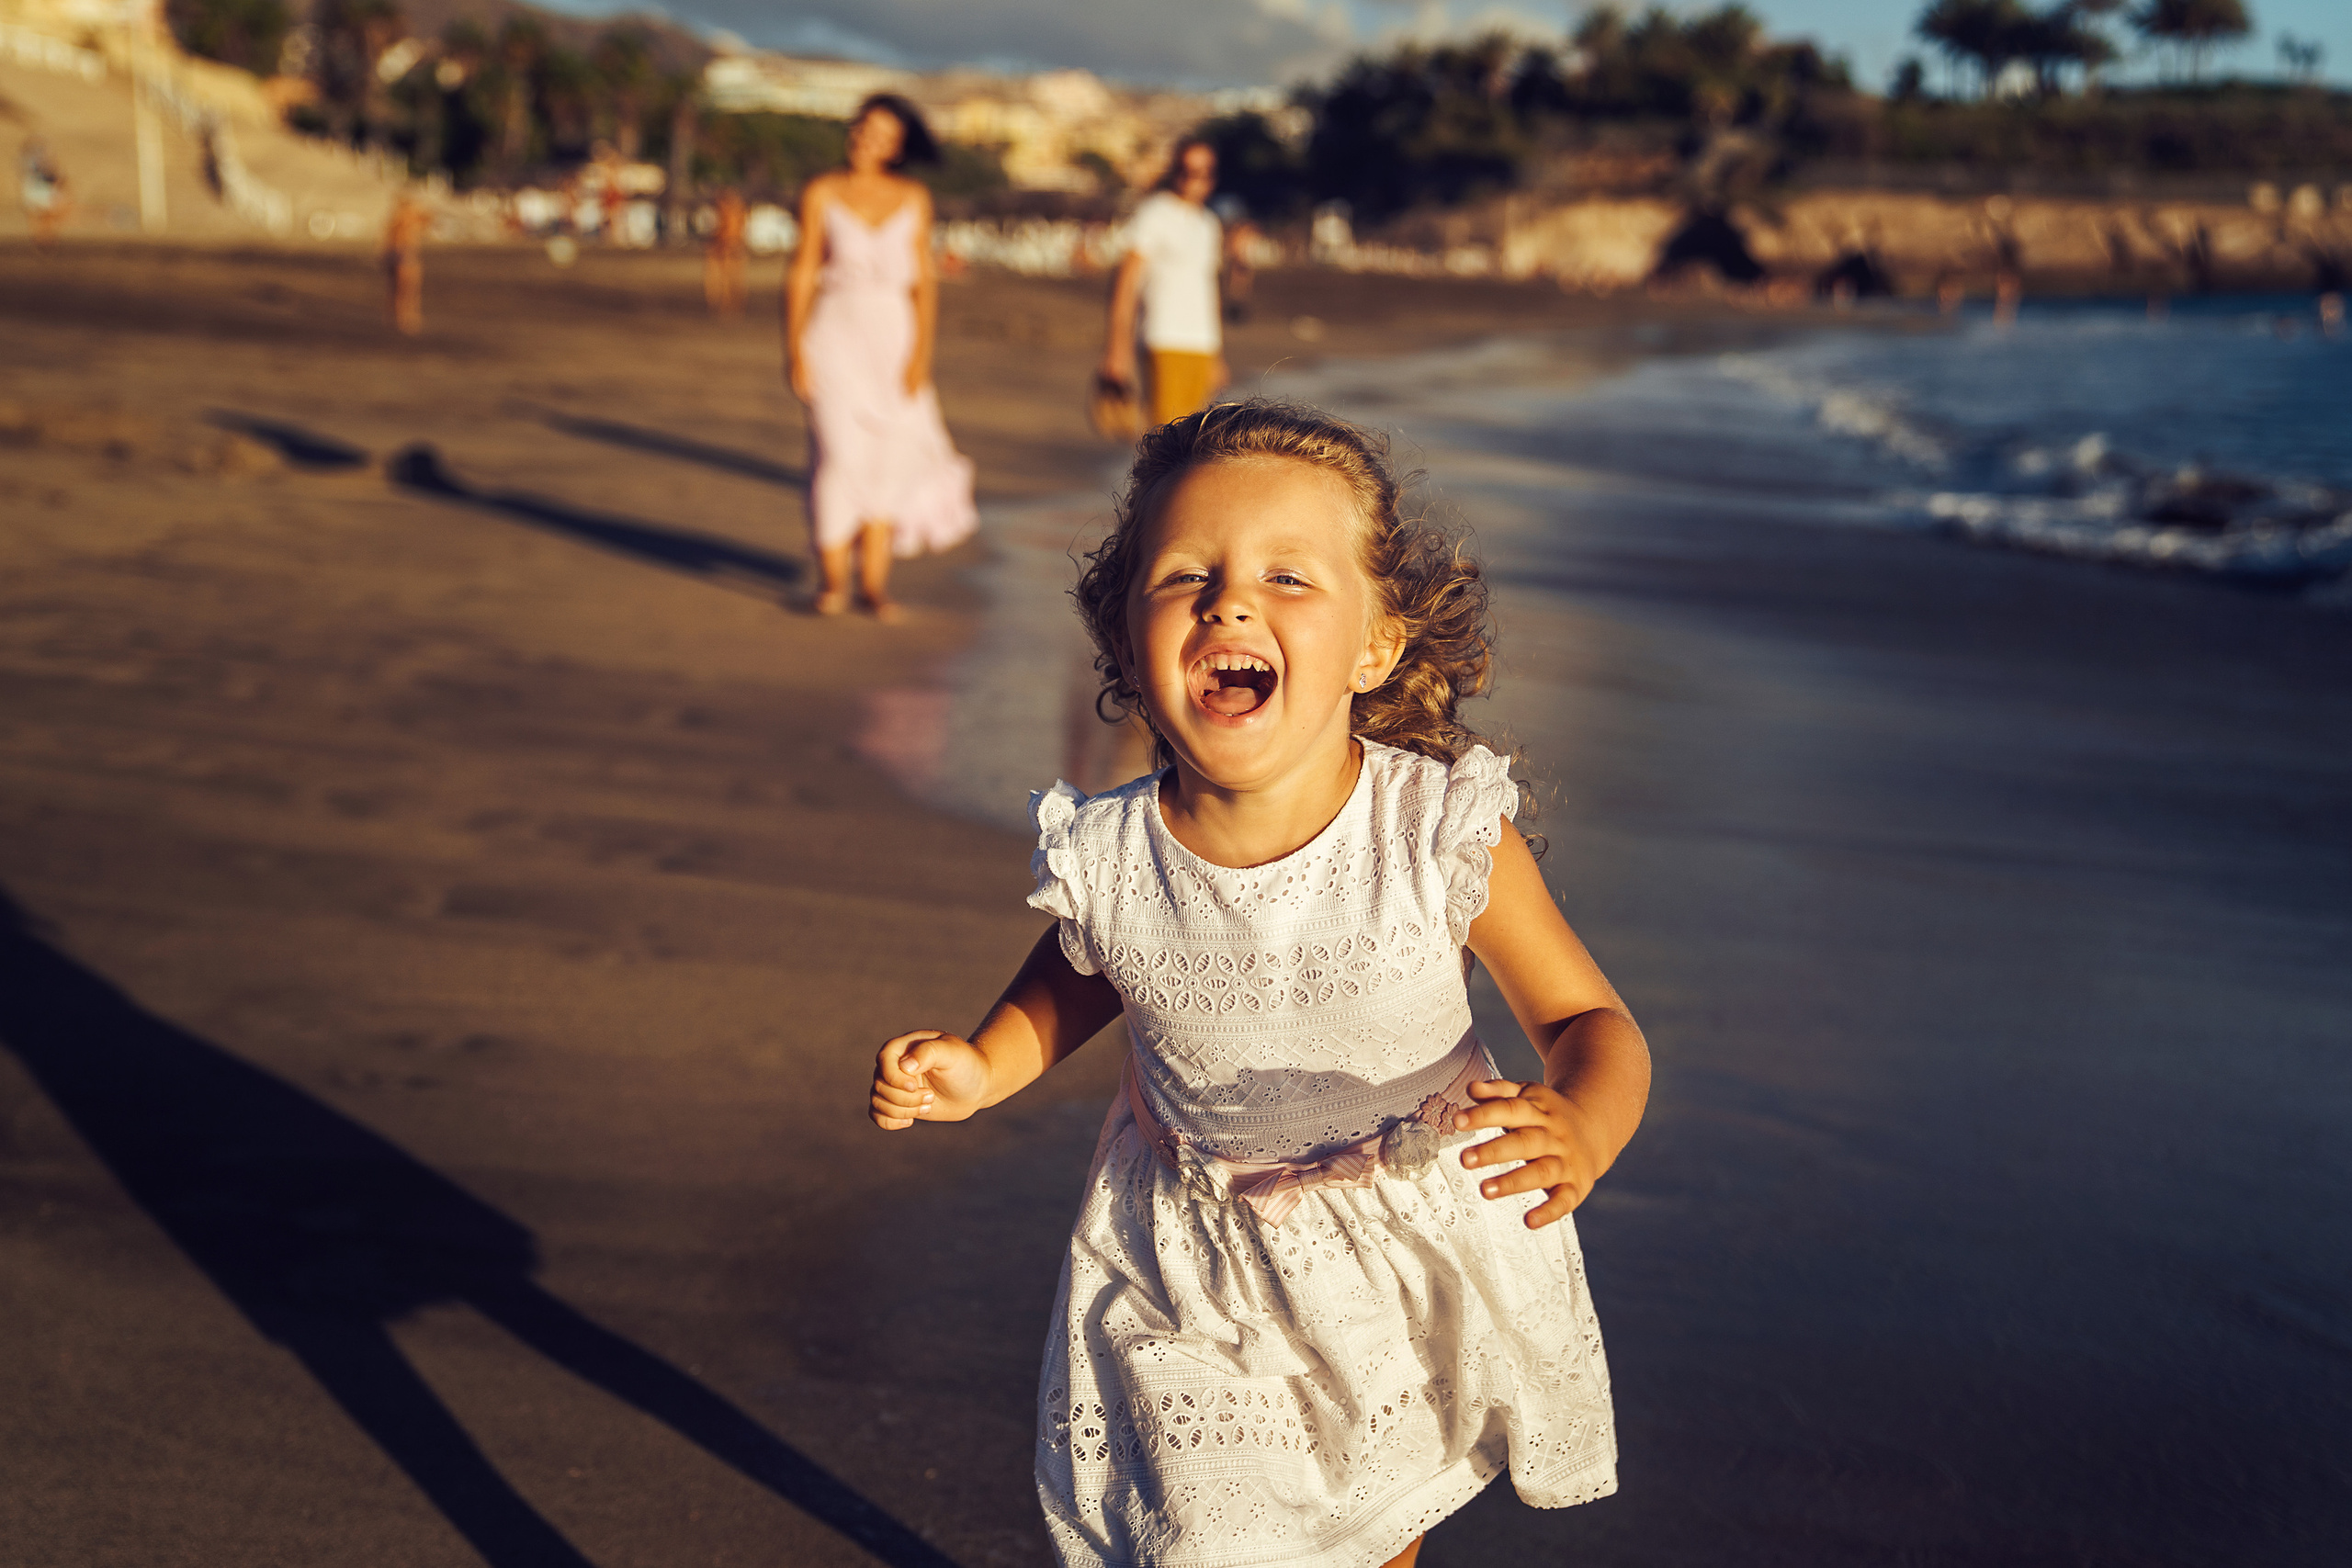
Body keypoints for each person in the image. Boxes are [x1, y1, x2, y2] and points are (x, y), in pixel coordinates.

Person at [867, 400, 1649, 1568]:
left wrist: (1583, 1123)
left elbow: (1589, 1019)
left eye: (1289, 578)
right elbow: (1082, 980)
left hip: (1407, 1250)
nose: (1230, 602)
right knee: (1202, 1539)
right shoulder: (1111, 856)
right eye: (1187, 577)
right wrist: (982, 1065)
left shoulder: (1433, 835)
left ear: (1376, 646)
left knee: (1376, 1529)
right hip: (1196, 1262)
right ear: (1129, 641)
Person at [786, 93, 977, 620]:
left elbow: (924, 282)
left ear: (897, 147)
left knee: (888, 460)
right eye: (861, 129)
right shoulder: (822, 192)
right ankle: (832, 584)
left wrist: (920, 356)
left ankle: (873, 586)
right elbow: (803, 269)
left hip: (894, 335)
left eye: (880, 135)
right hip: (833, 332)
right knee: (838, 457)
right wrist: (795, 348)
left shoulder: (913, 197)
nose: (864, 141)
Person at [1100, 139, 1227, 430]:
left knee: (1194, 439)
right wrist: (1117, 350)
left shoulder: (1209, 224)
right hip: (1164, 339)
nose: (1194, 179)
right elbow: (1125, 285)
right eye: (1186, 170)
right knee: (1166, 439)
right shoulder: (1154, 214)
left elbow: (1209, 291)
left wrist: (1217, 357)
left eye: (1204, 171)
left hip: (1203, 345)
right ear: (1174, 171)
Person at [381, 191, 428, 337]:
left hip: (401, 255)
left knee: (400, 288)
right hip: (405, 255)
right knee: (406, 288)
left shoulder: (397, 219)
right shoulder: (405, 218)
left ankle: (400, 315)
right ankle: (404, 317)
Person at [20, 137, 71, 249]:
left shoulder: (35, 215)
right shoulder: (58, 213)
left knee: (34, 156)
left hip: (39, 186)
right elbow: (62, 184)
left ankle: (35, 143)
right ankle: (37, 143)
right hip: (45, 187)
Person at [705, 187, 748, 318]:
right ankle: (733, 305)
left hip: (727, 244)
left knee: (724, 278)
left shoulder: (726, 211)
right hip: (736, 244)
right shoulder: (740, 211)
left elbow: (722, 230)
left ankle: (725, 304)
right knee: (736, 277)